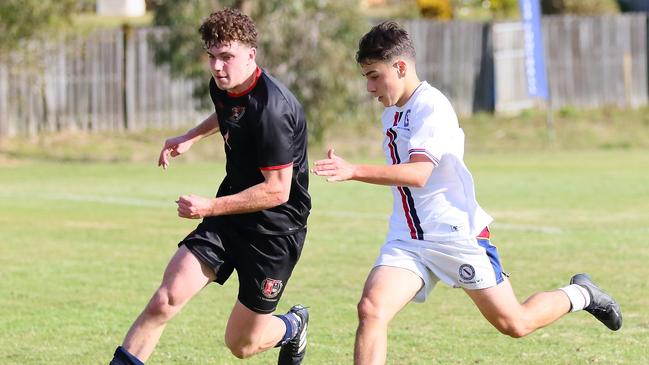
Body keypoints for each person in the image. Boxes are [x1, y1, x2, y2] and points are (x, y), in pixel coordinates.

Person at [312, 21, 622, 365]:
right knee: (372, 309)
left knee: (515, 323)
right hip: (409, 239)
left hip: (455, 235)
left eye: (373, 75)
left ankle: (581, 293)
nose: (369, 87)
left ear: (400, 67)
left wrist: (354, 170)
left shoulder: (431, 107)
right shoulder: (392, 113)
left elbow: (418, 174)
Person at [110, 8, 310, 365]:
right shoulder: (224, 86)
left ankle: (293, 326)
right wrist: (190, 137)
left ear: (251, 54)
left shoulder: (273, 110)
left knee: (242, 345)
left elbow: (277, 190)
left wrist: (209, 207)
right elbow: (230, 114)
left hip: (274, 233)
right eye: (212, 57)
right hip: (228, 219)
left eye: (227, 57)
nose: (218, 67)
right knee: (164, 300)